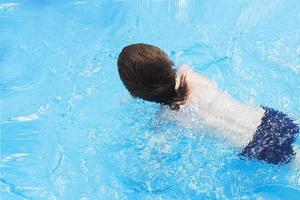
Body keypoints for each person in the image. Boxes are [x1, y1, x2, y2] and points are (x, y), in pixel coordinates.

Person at [117, 43, 299, 165]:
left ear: (135, 94)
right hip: (267, 118)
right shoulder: (189, 75)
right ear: (169, 63)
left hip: (257, 147)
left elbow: (159, 152)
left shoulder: (165, 119)